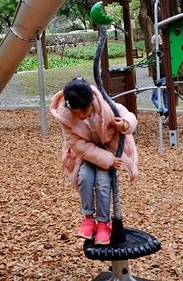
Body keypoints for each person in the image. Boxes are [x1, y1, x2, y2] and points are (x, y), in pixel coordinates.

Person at [50, 77, 139, 245]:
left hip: (110, 148)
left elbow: (130, 116)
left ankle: (104, 223)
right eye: (78, 113)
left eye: (86, 110)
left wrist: (124, 124)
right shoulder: (65, 117)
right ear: (70, 108)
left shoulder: (105, 105)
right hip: (86, 154)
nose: (83, 115)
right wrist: (108, 160)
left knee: (103, 182)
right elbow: (78, 145)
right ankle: (88, 219)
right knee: (84, 177)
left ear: (92, 101)